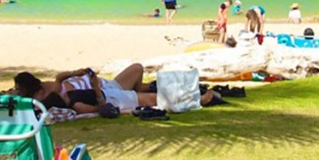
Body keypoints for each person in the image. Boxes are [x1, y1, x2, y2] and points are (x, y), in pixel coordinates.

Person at [13, 63, 223, 114]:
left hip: (111, 93)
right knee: (156, 100)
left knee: (153, 97)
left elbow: (59, 78)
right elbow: (100, 108)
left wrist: (78, 74)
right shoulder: (76, 104)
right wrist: (95, 89)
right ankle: (198, 99)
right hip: (113, 97)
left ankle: (195, 93)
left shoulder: (66, 95)